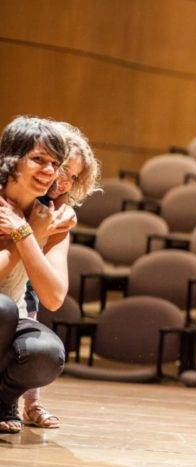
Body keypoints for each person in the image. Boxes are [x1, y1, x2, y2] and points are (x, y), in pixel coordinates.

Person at [20, 121, 101, 429]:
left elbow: (53, 296)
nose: (65, 181)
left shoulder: (61, 213)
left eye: (74, 176)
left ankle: (31, 403)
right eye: (64, 168)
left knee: (31, 315)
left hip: (24, 284)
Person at [0, 116, 72, 433]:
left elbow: (53, 298)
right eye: (39, 159)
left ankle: (4, 400)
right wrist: (25, 235)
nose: (49, 170)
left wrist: (25, 233)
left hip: (8, 321)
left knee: (46, 353)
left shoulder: (52, 219)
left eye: (54, 163)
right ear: (11, 159)